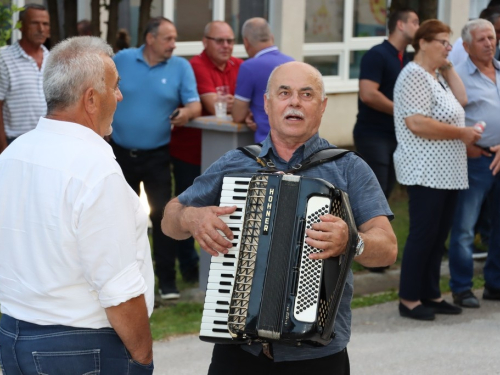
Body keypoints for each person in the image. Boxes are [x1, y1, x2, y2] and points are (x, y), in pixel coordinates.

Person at [162, 61, 397, 374]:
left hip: (317, 357)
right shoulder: (236, 163)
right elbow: (169, 218)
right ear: (267, 103)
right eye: (284, 93)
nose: (295, 102)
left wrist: (352, 241)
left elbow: (388, 249)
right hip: (238, 351)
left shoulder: (349, 169)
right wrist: (191, 218)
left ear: (322, 105)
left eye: (306, 94)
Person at [0, 36, 155, 374]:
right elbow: (118, 285)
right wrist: (143, 357)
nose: (120, 96)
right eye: (114, 87)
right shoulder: (94, 169)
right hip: (82, 346)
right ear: (90, 99)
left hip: (12, 336)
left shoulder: (12, 155)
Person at [394, 19, 482, 321]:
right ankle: (408, 298)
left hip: (446, 171)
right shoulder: (415, 75)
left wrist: (446, 65)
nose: (449, 47)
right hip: (425, 170)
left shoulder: (435, 75)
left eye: (449, 41)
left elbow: (463, 100)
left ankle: (430, 293)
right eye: (443, 42)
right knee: (423, 234)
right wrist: (462, 134)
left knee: (437, 236)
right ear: (422, 43)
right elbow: (416, 123)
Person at [111, 17, 202, 300]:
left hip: (158, 156)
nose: (173, 44)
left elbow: (194, 104)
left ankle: (167, 283)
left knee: (163, 216)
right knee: (118, 217)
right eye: (168, 38)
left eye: (174, 39)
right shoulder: (122, 59)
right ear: (150, 39)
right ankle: (120, 280)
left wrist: (185, 114)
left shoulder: (180, 67)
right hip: (119, 154)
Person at [168, 21, 243, 284]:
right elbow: (213, 105)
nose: (226, 46)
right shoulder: (196, 66)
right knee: (187, 209)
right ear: (205, 41)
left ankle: (219, 266)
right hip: (191, 151)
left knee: (220, 211)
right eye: (219, 40)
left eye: (230, 41)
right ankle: (188, 268)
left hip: (223, 153)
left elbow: (242, 104)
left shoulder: (239, 65)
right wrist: (235, 102)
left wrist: (233, 103)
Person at [353, 8, 419, 273]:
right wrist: (403, 112)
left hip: (397, 138)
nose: (419, 26)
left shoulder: (408, 59)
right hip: (373, 135)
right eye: (415, 22)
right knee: (373, 195)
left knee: (386, 194)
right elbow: (368, 94)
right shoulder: (376, 55)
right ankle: (366, 254)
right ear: (400, 25)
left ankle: (376, 249)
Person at [448, 19, 500, 308]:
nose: (489, 43)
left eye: (491, 37)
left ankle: (495, 284)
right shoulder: (458, 76)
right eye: (481, 39)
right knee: (465, 228)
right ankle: (462, 287)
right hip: (476, 160)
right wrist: (466, 145)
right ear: (466, 46)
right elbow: (447, 117)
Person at [231, 17, 294, 142]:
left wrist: (249, 111)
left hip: (269, 146)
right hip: (296, 142)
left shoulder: (249, 67)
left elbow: (237, 116)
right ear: (272, 38)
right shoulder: (292, 63)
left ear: (246, 42)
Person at [0, 3, 50, 153]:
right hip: (15, 142)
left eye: (45, 24)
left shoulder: (53, 59)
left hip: (48, 142)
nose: (41, 29)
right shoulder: (4, 59)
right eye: (35, 23)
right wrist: (3, 147)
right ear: (20, 26)